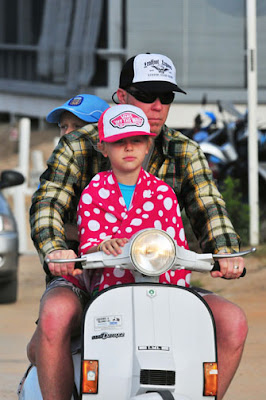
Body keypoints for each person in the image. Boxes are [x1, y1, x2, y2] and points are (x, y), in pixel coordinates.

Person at [29, 53, 247, 400]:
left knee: (232, 321)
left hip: (162, 282)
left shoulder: (183, 151)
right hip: (91, 277)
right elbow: (49, 201)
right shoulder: (78, 145)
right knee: (56, 314)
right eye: (146, 94)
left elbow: (208, 206)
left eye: (167, 96)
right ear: (121, 96)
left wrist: (225, 252)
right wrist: (56, 248)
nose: (157, 105)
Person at [72, 104, 191, 296]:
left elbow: (177, 250)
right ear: (103, 147)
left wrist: (179, 294)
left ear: (147, 146)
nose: (129, 147)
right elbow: (87, 248)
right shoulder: (93, 192)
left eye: (136, 141)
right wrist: (102, 246)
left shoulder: (163, 193)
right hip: (108, 292)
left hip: (160, 292)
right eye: (119, 142)